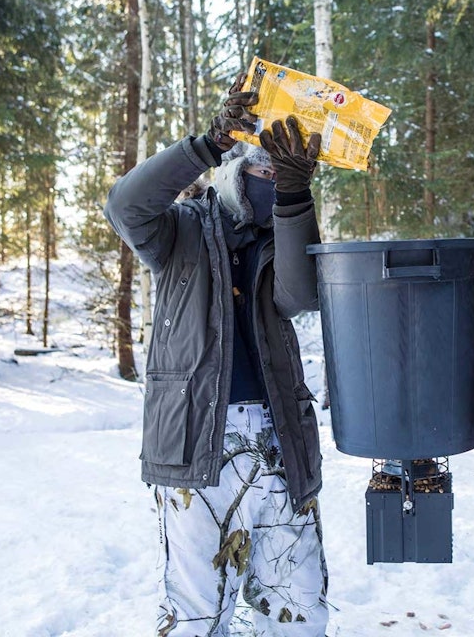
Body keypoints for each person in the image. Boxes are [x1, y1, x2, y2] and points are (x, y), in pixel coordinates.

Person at [103, 74, 328, 637]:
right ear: (233, 171)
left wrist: (297, 196)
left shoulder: (285, 239)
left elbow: (300, 296)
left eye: (282, 174)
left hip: (280, 443)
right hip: (194, 446)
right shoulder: (178, 231)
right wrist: (210, 141)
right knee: (197, 612)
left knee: (296, 606)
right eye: (261, 171)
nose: (270, 183)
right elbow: (125, 205)